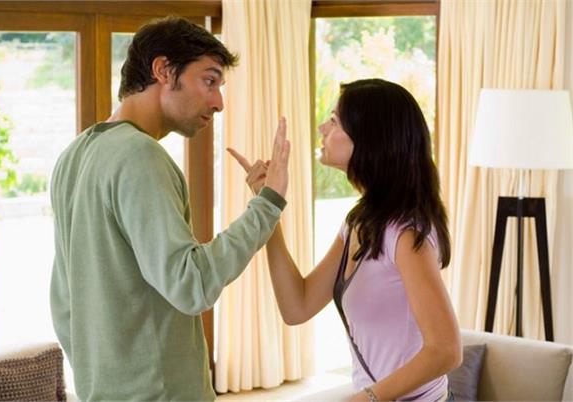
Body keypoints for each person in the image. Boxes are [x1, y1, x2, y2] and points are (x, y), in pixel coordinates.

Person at [50, 17, 290, 401]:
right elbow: (191, 284)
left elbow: (64, 301)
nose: (219, 103)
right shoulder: (139, 155)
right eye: (209, 81)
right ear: (163, 70)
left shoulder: (75, 155)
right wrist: (268, 204)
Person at [229, 78, 462, 401]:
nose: (322, 127)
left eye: (334, 120)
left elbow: (446, 350)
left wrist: (366, 398)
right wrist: (268, 204)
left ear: (370, 139)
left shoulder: (405, 233)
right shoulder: (359, 223)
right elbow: (297, 306)